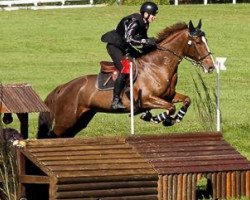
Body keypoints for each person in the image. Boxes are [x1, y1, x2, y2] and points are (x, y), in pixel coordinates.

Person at [101, 1, 158, 110]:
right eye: (153, 14)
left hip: (125, 46)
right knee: (124, 68)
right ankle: (116, 100)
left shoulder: (145, 23)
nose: (154, 17)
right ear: (145, 14)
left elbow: (141, 41)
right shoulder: (135, 21)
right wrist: (146, 41)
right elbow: (129, 38)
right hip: (115, 46)